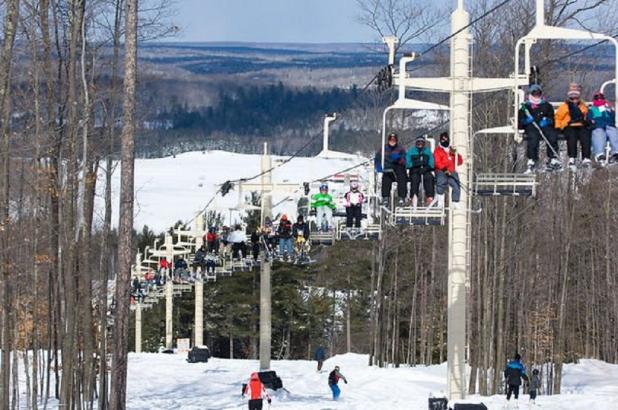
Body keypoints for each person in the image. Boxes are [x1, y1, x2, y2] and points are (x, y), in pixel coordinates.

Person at [519, 84, 561, 173]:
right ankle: (532, 159)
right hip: (532, 126)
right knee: (533, 137)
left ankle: (552, 157)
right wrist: (526, 121)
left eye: (538, 93)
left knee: (552, 135)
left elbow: (552, 118)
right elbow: (520, 121)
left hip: (543, 125)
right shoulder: (526, 106)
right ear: (531, 94)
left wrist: (548, 121)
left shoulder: (546, 105)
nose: (536, 96)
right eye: (534, 94)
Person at [555, 83, 592, 169]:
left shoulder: (582, 106)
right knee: (572, 137)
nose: (574, 100)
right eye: (572, 98)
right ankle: (572, 157)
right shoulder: (564, 107)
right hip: (569, 125)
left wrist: (586, 121)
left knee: (585, 136)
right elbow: (558, 117)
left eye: (576, 98)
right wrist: (559, 127)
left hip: (580, 125)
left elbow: (586, 115)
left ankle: (586, 157)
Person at [375, 132, 407, 206]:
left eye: (394, 140)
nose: (392, 141)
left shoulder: (400, 148)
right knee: (386, 178)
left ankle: (402, 197)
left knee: (402, 177)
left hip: (398, 167)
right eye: (390, 140)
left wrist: (399, 159)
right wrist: (378, 166)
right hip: (388, 168)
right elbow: (377, 158)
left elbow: (405, 160)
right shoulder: (383, 149)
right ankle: (385, 197)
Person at [434, 132, 463, 207]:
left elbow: (459, 161)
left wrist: (456, 155)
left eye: (446, 139)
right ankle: (440, 200)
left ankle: (455, 201)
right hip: (441, 170)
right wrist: (444, 169)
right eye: (443, 140)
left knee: (456, 184)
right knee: (441, 182)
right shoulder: (438, 150)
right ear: (440, 141)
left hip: (451, 171)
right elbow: (437, 162)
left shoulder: (451, 150)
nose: (445, 141)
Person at [589, 90, 618, 164]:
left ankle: (616, 152)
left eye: (601, 98)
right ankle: (600, 153)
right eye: (597, 98)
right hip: (598, 126)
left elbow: (612, 118)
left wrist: (611, 110)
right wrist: (592, 123)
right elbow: (590, 119)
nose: (599, 100)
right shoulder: (592, 109)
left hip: (609, 125)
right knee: (599, 134)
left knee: (613, 132)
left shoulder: (607, 109)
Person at [406, 135, 435, 205]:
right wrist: (415, 163)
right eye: (418, 142)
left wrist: (427, 167)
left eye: (421, 142)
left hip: (425, 169)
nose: (420, 144)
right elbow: (407, 163)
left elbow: (432, 162)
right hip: (415, 170)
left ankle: (429, 196)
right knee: (415, 178)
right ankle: (413, 196)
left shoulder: (427, 151)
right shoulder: (411, 151)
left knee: (429, 177)